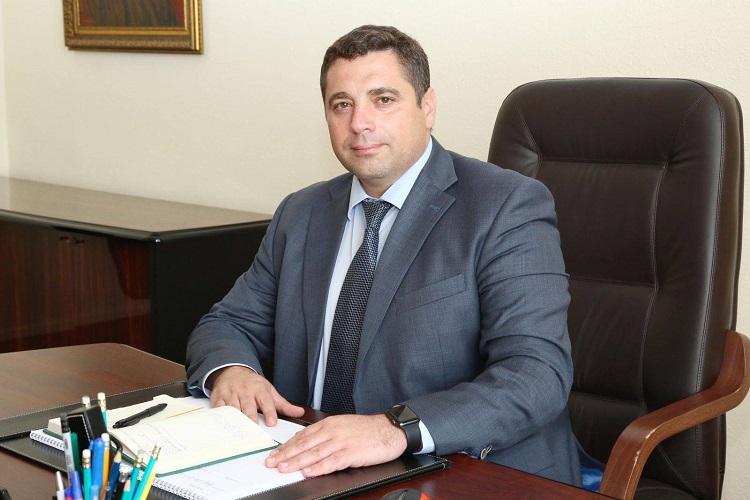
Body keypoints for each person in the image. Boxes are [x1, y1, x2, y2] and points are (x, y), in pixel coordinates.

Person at [186, 24, 582, 486]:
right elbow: (227, 323)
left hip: (459, 468)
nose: (360, 123)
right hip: (308, 466)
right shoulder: (302, 212)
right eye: (342, 104)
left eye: (383, 99)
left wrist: (394, 428)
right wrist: (232, 371)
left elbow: (536, 375)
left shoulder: (505, 206)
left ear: (427, 107)